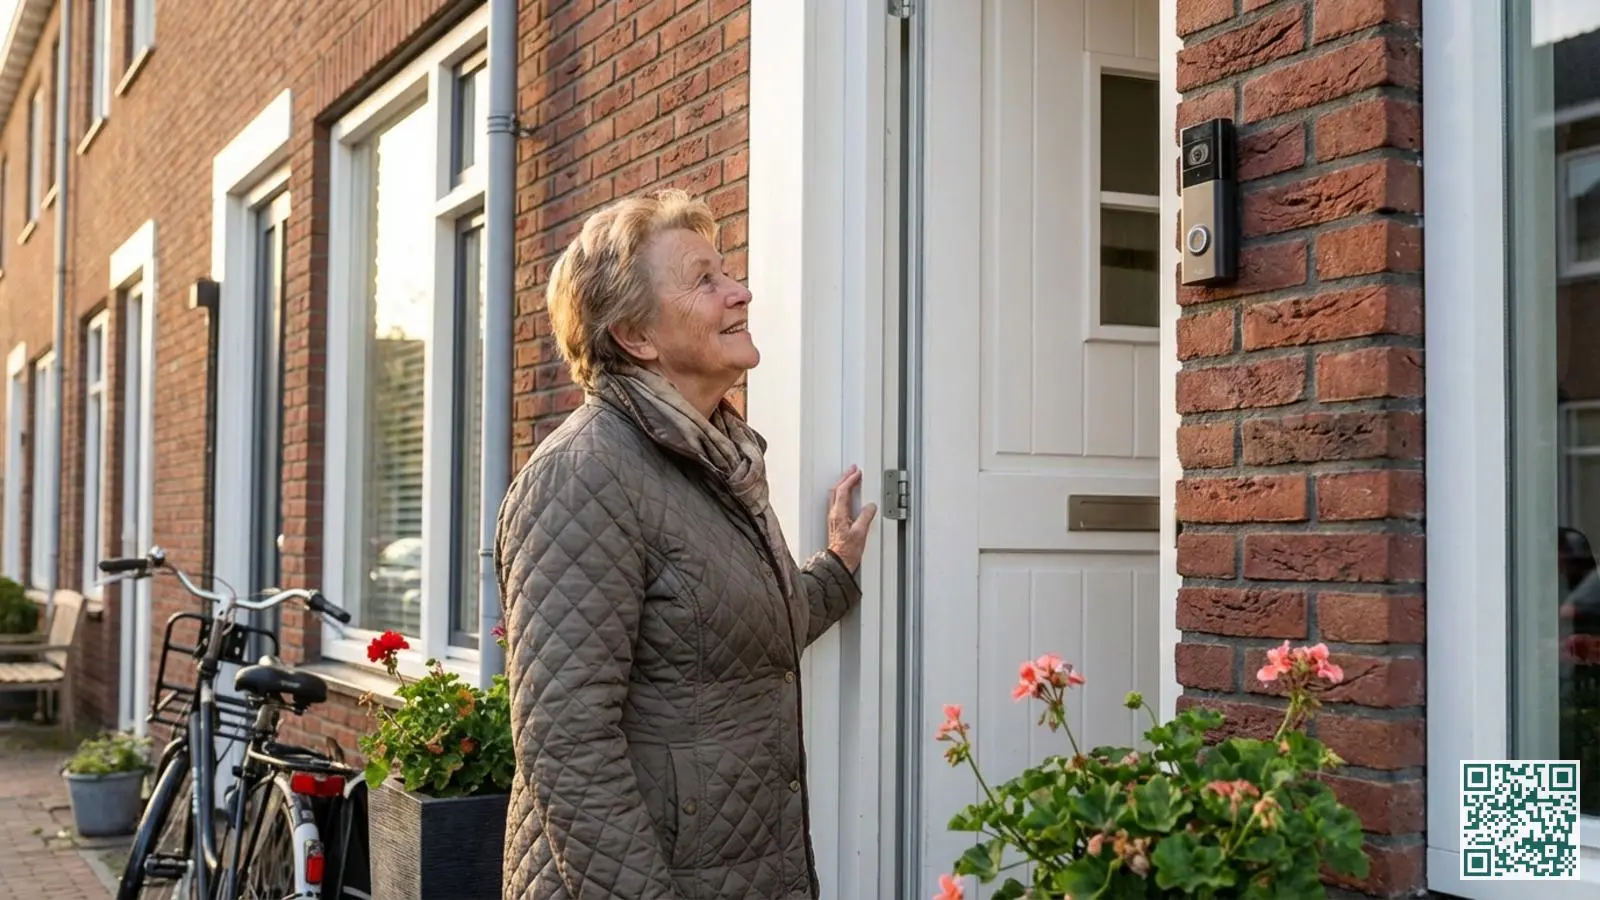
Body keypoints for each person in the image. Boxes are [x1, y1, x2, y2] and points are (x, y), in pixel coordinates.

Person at [494, 188, 878, 899]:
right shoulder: (584, 477)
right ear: (636, 337)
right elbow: (566, 745)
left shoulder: (715, 458)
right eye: (706, 280)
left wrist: (835, 572)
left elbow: (723, 631)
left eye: (727, 272)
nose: (742, 292)